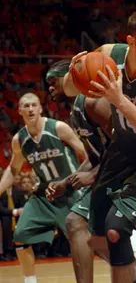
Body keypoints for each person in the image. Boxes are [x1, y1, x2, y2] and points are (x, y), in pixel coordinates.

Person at [64, 10, 136, 283]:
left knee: (116, 228)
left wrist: (119, 101)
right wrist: (74, 74)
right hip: (123, 149)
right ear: (130, 41)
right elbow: (70, 90)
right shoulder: (108, 55)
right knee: (91, 231)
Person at [45, 60, 136, 283]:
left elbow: (126, 143)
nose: (49, 87)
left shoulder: (93, 101)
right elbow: (95, 156)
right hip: (112, 173)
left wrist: (94, 175)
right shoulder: (75, 111)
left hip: (132, 172)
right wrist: (66, 182)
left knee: (76, 222)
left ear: (69, 77)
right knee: (93, 234)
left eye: (53, 81)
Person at [0, 92, 86, 283]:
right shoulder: (19, 140)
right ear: (20, 110)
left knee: (92, 243)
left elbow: (85, 153)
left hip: (70, 191)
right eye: (26, 105)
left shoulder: (59, 128)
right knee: (20, 234)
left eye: (33, 105)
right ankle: (30, 281)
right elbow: (13, 170)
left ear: (40, 108)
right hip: (44, 195)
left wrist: (87, 178)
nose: (30, 109)